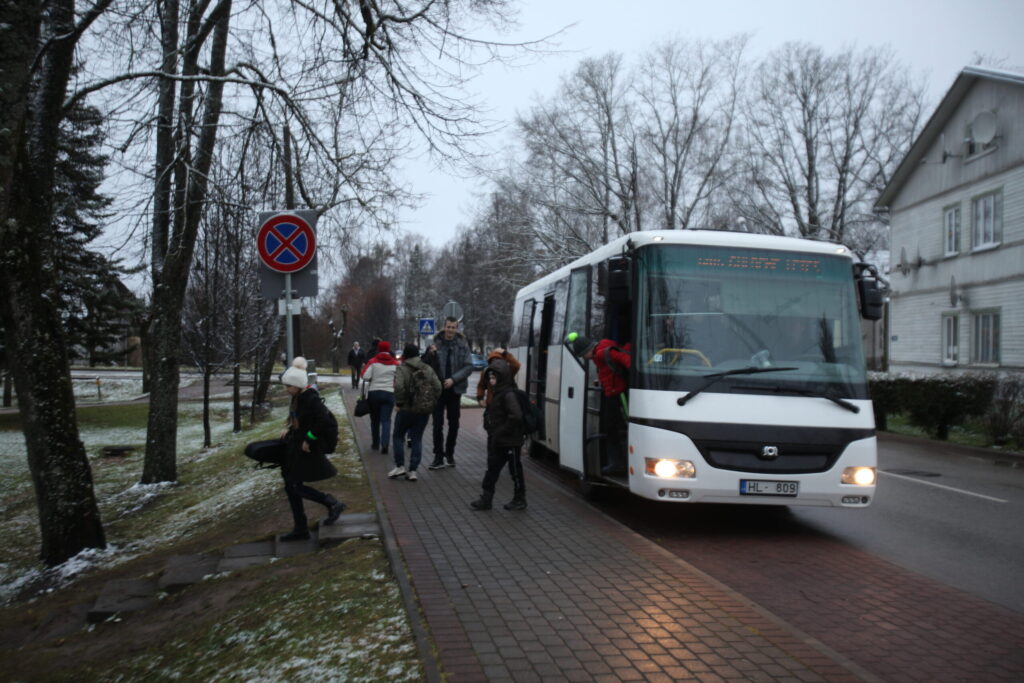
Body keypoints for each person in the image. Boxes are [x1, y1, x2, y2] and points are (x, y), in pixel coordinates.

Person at [277, 356, 345, 541]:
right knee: (292, 486)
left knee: (294, 485)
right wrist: (289, 429)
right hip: (298, 445)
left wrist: (309, 439)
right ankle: (301, 527)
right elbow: (301, 420)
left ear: (298, 385)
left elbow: (322, 420)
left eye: (289, 386)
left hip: (305, 448)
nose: (287, 390)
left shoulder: (310, 398)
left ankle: (331, 503)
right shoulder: (299, 397)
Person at [566, 332, 631, 476]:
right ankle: (617, 461)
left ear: (588, 350)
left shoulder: (602, 353)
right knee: (613, 427)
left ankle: (618, 462)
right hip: (613, 394)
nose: (585, 359)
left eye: (583, 356)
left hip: (618, 395)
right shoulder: (601, 352)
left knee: (616, 427)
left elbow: (626, 359)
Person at [469, 358, 527, 511]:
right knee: (492, 470)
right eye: (490, 377)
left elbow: (516, 416)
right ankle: (486, 499)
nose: (491, 380)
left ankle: (519, 499)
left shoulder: (508, 394)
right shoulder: (498, 393)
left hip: (510, 440)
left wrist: (500, 431)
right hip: (500, 439)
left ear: (502, 377)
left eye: (494, 377)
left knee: (515, 471)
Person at [423, 317, 473, 469]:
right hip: (438, 390)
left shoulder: (462, 345)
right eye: (448, 327)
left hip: (454, 389)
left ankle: (449, 453)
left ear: (457, 328)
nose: (451, 330)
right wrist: (430, 354)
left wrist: (453, 379)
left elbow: (468, 366)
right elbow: (424, 365)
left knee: (454, 423)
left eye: (453, 327)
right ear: (443, 327)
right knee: (437, 424)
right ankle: (438, 456)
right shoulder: (435, 344)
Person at [388, 343, 442, 482]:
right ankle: (413, 470)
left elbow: (399, 386)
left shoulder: (402, 368)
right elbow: (438, 387)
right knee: (417, 439)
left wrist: (399, 402)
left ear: (405, 355)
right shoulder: (427, 368)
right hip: (423, 410)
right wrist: (431, 401)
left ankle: (400, 466)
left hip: (406, 409)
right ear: (418, 354)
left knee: (398, 436)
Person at [361, 340, 398, 454]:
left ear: (378, 349)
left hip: (374, 393)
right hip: (389, 393)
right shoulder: (395, 363)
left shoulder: (373, 361)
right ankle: (385, 444)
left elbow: (364, 376)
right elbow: (399, 378)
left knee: (375, 420)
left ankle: (375, 443)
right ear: (388, 349)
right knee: (386, 420)